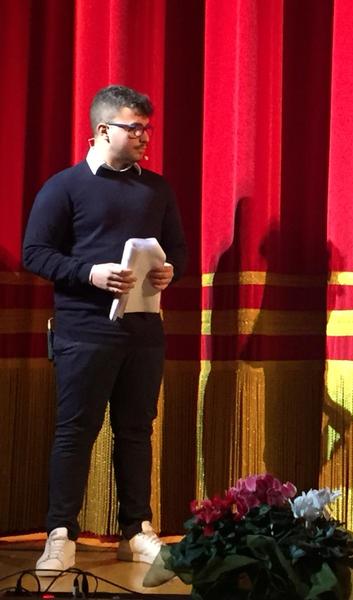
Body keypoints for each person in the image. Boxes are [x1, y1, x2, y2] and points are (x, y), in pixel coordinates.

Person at [23, 85, 187, 574]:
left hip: (143, 331)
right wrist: (89, 273)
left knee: (136, 432)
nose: (144, 138)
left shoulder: (157, 188)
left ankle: (136, 530)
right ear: (102, 130)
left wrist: (169, 271)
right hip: (83, 331)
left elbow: (177, 249)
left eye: (147, 130)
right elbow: (35, 253)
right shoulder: (64, 186)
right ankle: (60, 533)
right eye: (133, 128)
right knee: (75, 433)